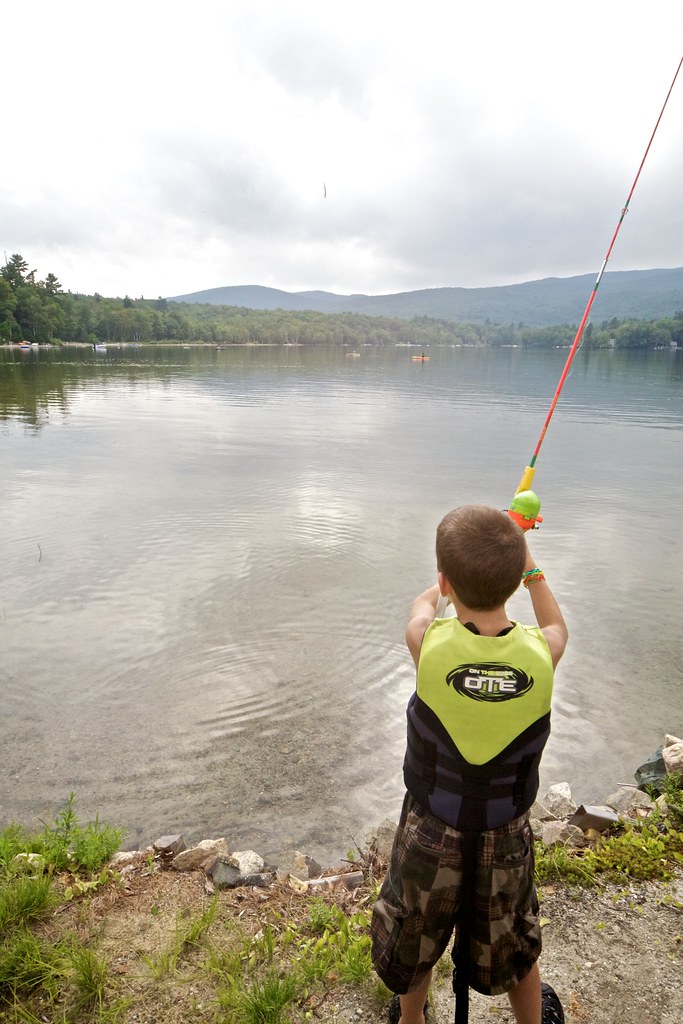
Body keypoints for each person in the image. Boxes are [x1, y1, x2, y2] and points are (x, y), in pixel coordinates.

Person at [370, 505, 569, 1024]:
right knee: (514, 933)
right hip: (505, 832)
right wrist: (527, 557)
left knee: (416, 929)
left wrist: (439, 589)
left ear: (446, 580)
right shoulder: (543, 652)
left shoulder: (429, 645)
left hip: (431, 827)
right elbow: (554, 622)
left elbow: (420, 608)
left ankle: (410, 1019)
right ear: (516, 581)